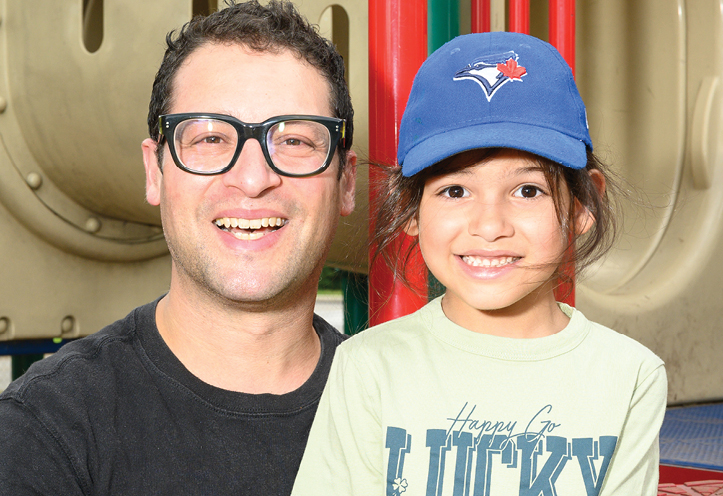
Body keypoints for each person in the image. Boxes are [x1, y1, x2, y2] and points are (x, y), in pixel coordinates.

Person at [0, 1, 356, 494]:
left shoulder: (404, 414)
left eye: (294, 140)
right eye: (209, 138)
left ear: (345, 181)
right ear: (155, 171)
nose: (253, 179)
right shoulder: (44, 433)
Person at [292, 32, 667, 496]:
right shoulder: (367, 367)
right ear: (410, 210)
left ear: (581, 207)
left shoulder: (629, 377)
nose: (489, 226)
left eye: (528, 190)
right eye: (455, 191)